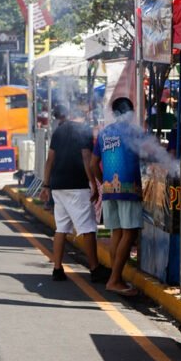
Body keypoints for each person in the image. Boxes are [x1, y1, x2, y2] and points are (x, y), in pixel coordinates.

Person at [39, 102, 108, 284]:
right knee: (88, 229)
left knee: (61, 228)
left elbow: (49, 160)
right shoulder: (84, 131)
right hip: (77, 186)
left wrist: (46, 185)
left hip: (58, 185)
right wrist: (93, 183)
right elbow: (87, 158)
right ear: (83, 115)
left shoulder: (59, 131)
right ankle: (94, 269)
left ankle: (57, 268)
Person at [92, 96, 144, 298]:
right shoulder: (134, 132)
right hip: (129, 188)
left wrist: (103, 183)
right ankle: (114, 280)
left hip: (109, 189)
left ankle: (116, 277)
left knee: (117, 233)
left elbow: (93, 164)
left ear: (114, 113)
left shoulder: (104, 133)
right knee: (129, 234)